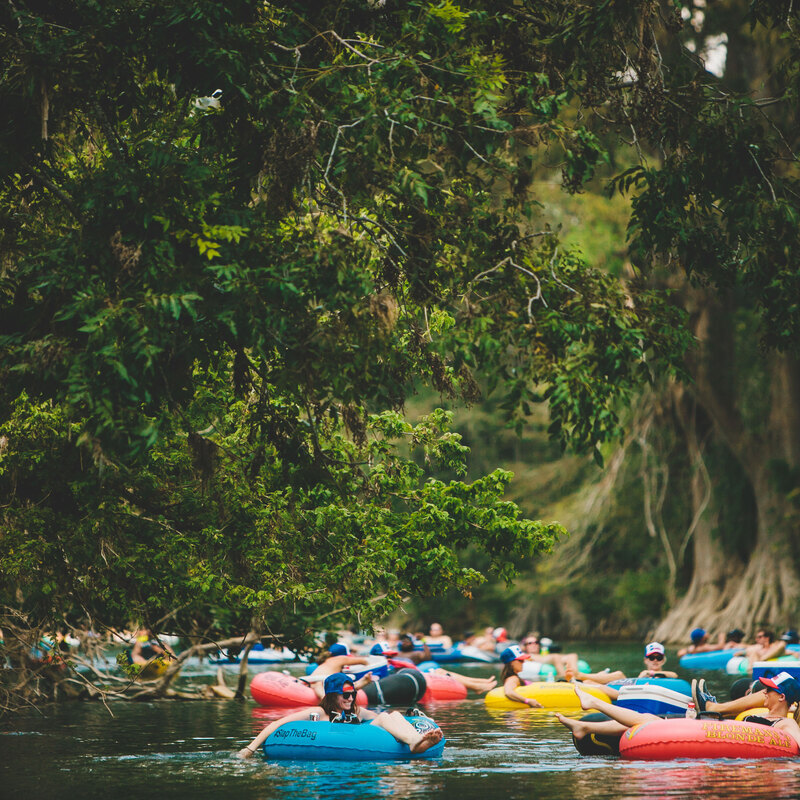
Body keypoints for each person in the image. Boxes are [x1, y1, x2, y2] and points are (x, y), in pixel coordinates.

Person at [556, 673, 800, 748]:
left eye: (768, 690)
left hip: (723, 740)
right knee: (650, 719)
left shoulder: (787, 723)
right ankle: (585, 725)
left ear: (781, 696)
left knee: (650, 721)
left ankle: (596, 705)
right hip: (716, 732)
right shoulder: (758, 714)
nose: (763, 693)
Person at [237, 672, 444, 758]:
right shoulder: (318, 712)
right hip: (334, 749)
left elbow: (387, 718)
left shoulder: (356, 712)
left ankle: (417, 741)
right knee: (383, 718)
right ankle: (416, 743)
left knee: (391, 715)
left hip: (368, 742)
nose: (350, 699)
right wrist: (250, 748)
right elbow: (278, 724)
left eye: (352, 694)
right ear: (333, 696)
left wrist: (423, 721)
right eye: (345, 695)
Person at [564, 642, 677, 694]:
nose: (655, 661)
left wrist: (649, 673)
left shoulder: (668, 676)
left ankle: (580, 678)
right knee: (616, 675)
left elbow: (674, 675)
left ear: (663, 659)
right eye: (652, 657)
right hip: (629, 692)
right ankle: (579, 680)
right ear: (646, 660)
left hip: (633, 694)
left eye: (659, 657)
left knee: (618, 675)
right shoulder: (642, 675)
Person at [384, 640, 497, 693]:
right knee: (441, 672)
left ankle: (479, 682)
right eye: (388, 655)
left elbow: (427, 657)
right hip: (410, 677)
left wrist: (423, 642)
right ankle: (477, 686)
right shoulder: (388, 663)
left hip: (413, 673)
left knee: (440, 670)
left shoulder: (400, 657)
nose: (390, 656)